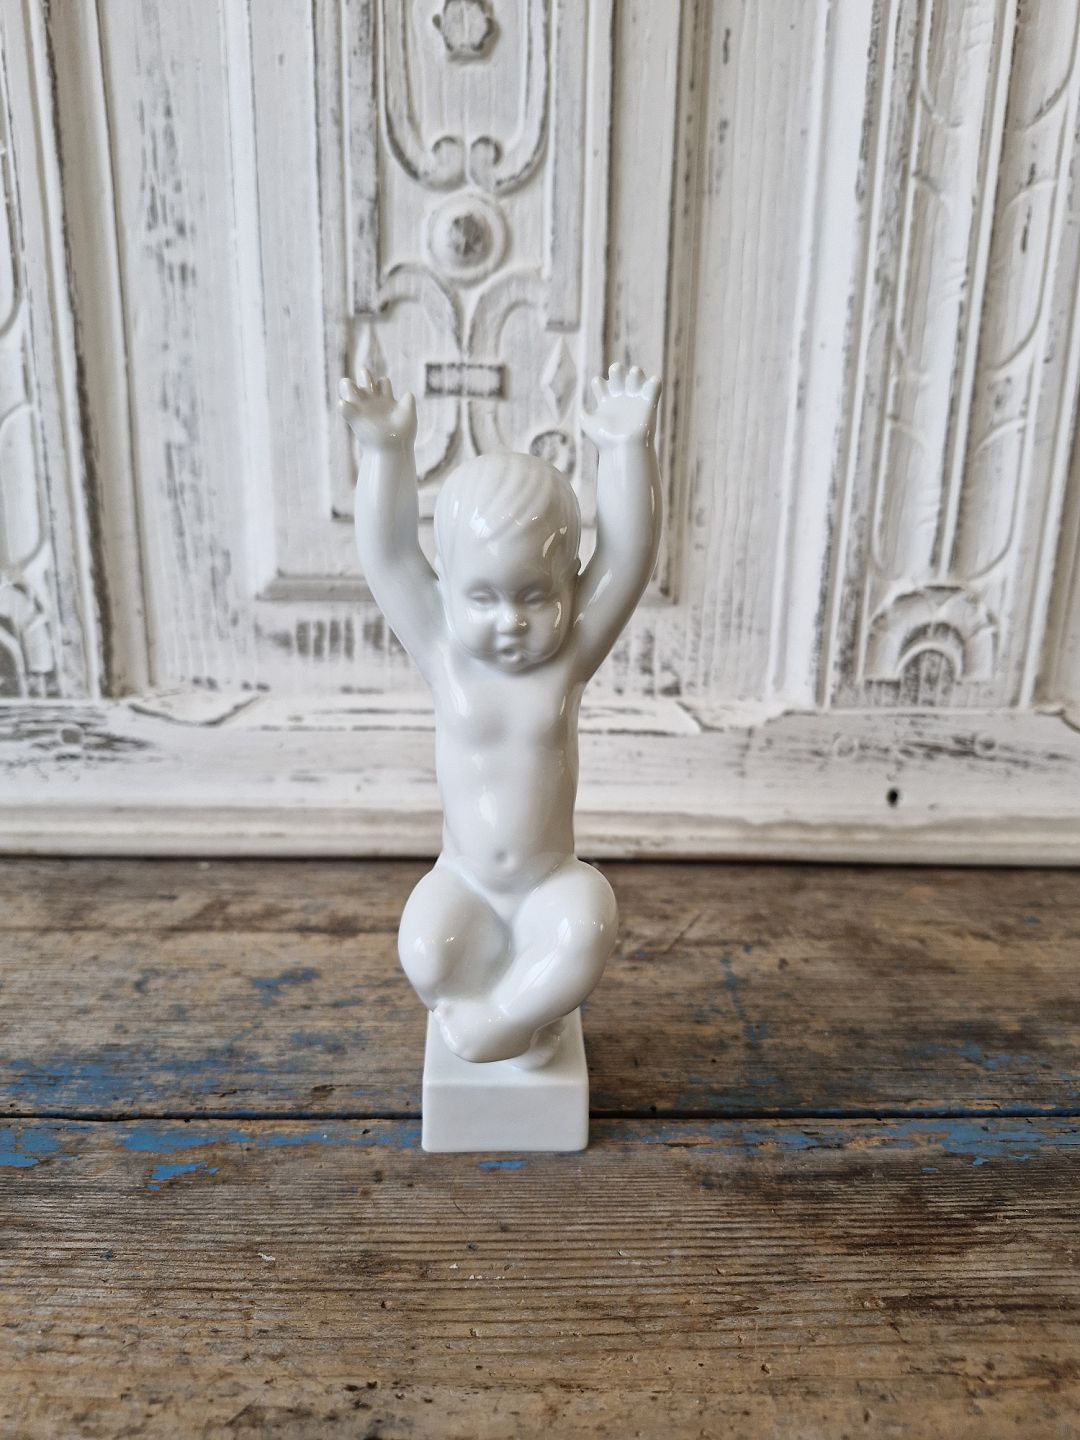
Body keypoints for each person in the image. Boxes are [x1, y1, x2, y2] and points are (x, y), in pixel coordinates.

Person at [339, 363, 663, 1065]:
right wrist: (386, 452)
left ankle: (511, 1018)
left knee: (589, 922)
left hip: (549, 883)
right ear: (446, 585)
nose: (510, 621)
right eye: (482, 598)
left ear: (570, 585)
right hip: (467, 882)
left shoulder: (568, 657)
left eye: (535, 596)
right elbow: (387, 555)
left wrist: (625, 449)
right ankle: (512, 1012)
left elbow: (629, 555)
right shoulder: (444, 651)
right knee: (427, 954)